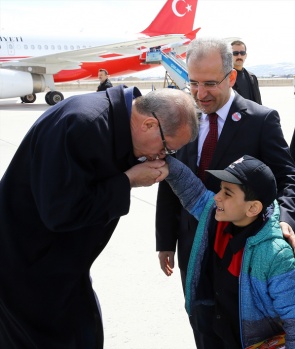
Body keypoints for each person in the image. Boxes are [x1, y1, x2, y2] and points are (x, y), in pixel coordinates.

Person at [0, 85, 198, 348]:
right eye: (166, 149)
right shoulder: (84, 125)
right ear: (149, 124)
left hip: (63, 268)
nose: (162, 157)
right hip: (25, 271)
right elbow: (60, 212)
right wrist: (127, 181)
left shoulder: (115, 123)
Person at [156, 37, 295, 349]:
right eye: (192, 83)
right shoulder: (183, 120)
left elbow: (287, 177)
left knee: (243, 331)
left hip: (244, 253)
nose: (199, 93)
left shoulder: (261, 120)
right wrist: (165, 241)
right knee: (203, 326)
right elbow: (171, 181)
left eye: (209, 84)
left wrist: (286, 220)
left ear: (231, 77)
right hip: (193, 246)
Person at [162, 154, 295, 349]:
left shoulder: (276, 255)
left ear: (253, 208)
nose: (217, 196)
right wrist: (166, 163)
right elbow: (192, 191)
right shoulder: (216, 219)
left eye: (227, 193)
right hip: (218, 333)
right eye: (220, 189)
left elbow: (292, 317)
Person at [231, 40, 262, 104]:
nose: (239, 56)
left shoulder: (252, 78)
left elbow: (258, 103)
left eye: (242, 53)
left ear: (245, 55)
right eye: (235, 53)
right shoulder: (224, 77)